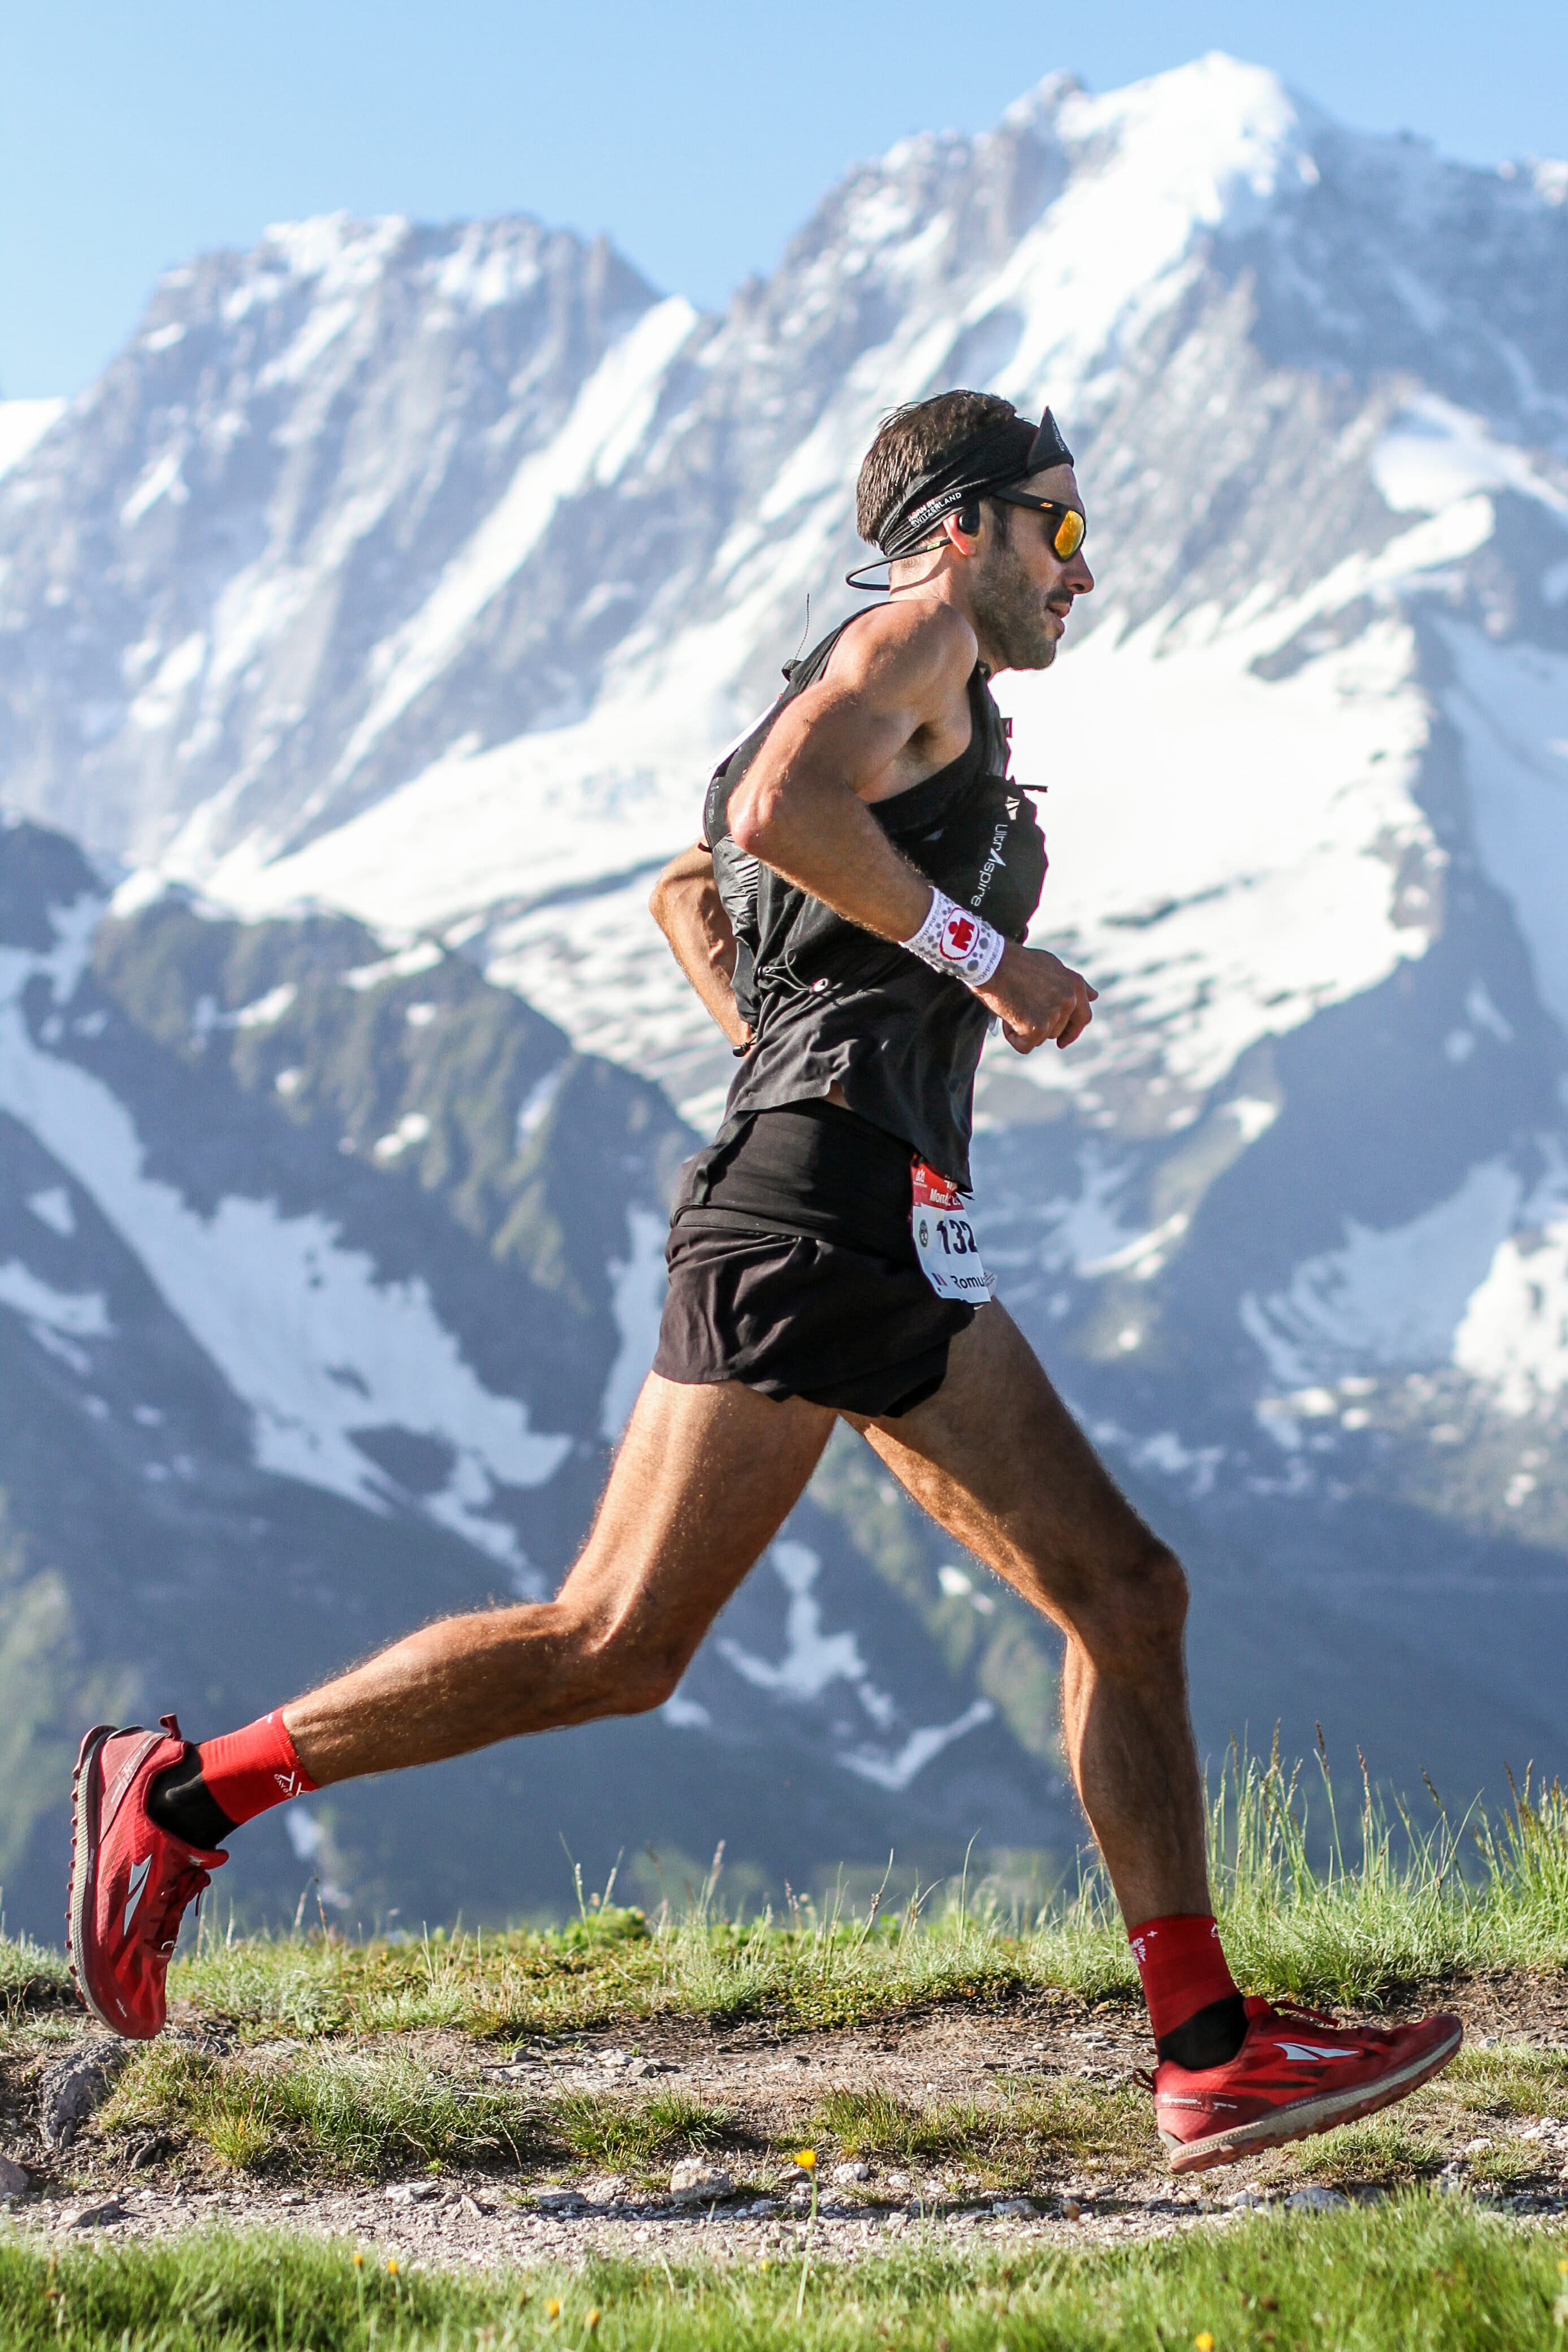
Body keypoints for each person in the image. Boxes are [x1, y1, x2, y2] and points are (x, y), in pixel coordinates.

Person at [68, 391, 1458, 2172]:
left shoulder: (913, 681)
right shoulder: (919, 633)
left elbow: (688, 883)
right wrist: (988, 959)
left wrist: (815, 1042)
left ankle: (1207, 2049)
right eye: (1065, 528)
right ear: (967, 525)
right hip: (816, 1220)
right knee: (614, 1645)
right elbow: (764, 804)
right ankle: (179, 1796)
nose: (1084, 573)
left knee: (1127, 1591)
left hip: (876, 1214)